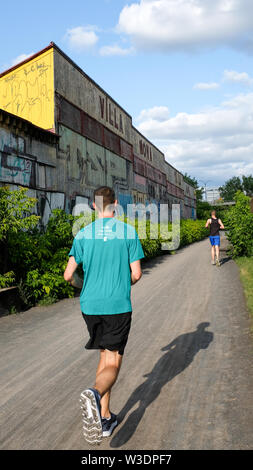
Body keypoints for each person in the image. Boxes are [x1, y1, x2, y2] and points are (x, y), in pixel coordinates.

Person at [63, 186, 145, 444]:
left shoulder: (83, 234)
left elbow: (68, 276)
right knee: (114, 361)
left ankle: (105, 417)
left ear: (93, 206)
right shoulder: (128, 232)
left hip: (90, 306)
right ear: (116, 204)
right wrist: (121, 284)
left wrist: (84, 285)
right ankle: (95, 393)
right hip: (117, 305)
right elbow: (137, 274)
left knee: (104, 355)